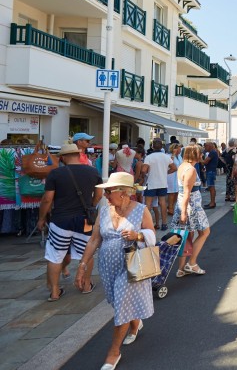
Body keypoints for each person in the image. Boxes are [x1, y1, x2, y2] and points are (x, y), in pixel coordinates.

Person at [75, 172, 155, 370]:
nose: (105, 195)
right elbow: (94, 239)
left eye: (109, 191)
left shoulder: (142, 210)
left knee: (122, 298)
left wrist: (138, 235)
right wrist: (82, 266)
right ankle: (135, 324)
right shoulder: (104, 211)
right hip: (109, 266)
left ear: (124, 193)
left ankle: (113, 352)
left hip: (132, 264)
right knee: (119, 301)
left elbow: (152, 234)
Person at [36, 144, 103, 300]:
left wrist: (41, 218)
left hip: (60, 220)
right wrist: (90, 207)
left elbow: (47, 199)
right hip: (84, 220)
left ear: (63, 157)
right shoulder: (93, 172)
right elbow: (99, 195)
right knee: (87, 254)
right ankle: (86, 285)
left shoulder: (55, 174)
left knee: (55, 256)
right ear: (78, 155)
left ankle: (54, 291)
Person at [171, 145, 211, 276]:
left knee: (187, 236)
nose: (202, 155)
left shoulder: (182, 166)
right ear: (195, 155)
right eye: (200, 153)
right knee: (205, 232)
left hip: (184, 205)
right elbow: (187, 192)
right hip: (191, 207)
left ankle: (181, 269)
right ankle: (192, 263)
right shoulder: (191, 170)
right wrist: (184, 212)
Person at [142, 139, 177, 231]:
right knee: (162, 203)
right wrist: (165, 173)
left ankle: (147, 224)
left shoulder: (149, 157)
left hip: (151, 182)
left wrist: (146, 173)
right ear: (162, 146)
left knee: (148, 204)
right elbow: (174, 168)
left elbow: (143, 170)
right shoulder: (166, 157)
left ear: (152, 146)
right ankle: (164, 223)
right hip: (162, 182)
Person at [167, 143, 183, 217]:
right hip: (171, 176)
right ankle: (170, 208)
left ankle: (171, 206)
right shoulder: (169, 155)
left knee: (176, 192)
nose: (180, 150)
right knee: (171, 192)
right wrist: (173, 154)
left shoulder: (179, 156)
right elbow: (170, 163)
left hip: (178, 176)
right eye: (179, 148)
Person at [202, 142, 219, 208]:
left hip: (210, 171)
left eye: (205, 146)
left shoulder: (212, 152)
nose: (205, 148)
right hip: (211, 171)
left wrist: (199, 159)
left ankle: (212, 203)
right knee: (211, 187)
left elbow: (205, 162)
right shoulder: (214, 152)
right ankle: (212, 202)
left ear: (209, 146)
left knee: (211, 187)